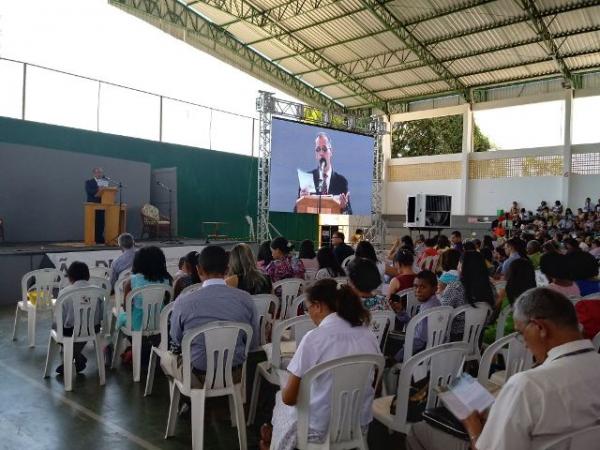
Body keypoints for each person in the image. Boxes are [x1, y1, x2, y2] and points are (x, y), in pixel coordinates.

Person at [407, 287, 600, 450]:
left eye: (521, 333)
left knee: (418, 431)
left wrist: (472, 424)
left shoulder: (529, 385)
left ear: (540, 328)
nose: (524, 343)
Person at [266, 279, 379, 450]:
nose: (309, 312)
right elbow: (374, 379)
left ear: (318, 306)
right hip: (358, 425)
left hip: (318, 431)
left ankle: (272, 443)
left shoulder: (314, 338)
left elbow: (289, 398)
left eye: (308, 307)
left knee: (282, 399)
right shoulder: (368, 334)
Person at [168, 245, 259, 387]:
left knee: (165, 360)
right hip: (235, 373)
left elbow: (177, 338)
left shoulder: (183, 301)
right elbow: (253, 343)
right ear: (227, 269)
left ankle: (189, 402)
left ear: (199, 270)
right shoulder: (246, 299)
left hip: (197, 375)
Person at [53, 261, 103, 374]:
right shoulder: (98, 291)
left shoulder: (64, 293)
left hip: (70, 331)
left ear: (70, 278)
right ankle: (78, 358)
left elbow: (60, 319)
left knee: (56, 327)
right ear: (88, 276)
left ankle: (74, 360)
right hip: (93, 329)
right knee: (82, 329)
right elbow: (101, 315)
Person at [440, 251, 495, 341]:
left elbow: (443, 315)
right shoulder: (490, 287)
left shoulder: (454, 287)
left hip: (455, 341)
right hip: (478, 339)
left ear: (461, 266)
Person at [117, 246, 172, 333]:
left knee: (119, 316)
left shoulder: (131, 281)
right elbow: (167, 303)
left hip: (137, 324)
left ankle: (118, 345)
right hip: (160, 322)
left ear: (138, 263)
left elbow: (126, 309)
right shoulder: (167, 280)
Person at [483, 257, 536, 345]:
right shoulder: (535, 295)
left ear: (511, 273)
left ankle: (492, 357)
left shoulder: (505, 293)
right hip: (527, 336)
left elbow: (492, 316)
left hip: (502, 336)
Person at [297, 132, 351, 214]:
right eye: (318, 150)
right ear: (316, 154)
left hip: (332, 226)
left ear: (331, 152)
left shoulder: (341, 181)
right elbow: (295, 213)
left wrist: (344, 207)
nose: (321, 153)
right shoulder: (308, 179)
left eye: (324, 149)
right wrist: (301, 201)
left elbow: (349, 214)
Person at [393, 270, 441, 361]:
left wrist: (398, 357)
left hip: (421, 353)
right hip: (432, 350)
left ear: (434, 289)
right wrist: (401, 312)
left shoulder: (427, 309)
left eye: (423, 287)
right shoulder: (435, 302)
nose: (418, 290)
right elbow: (416, 324)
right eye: (415, 286)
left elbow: (419, 341)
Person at [84, 167, 109, 244]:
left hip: (102, 204)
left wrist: (106, 190)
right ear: (94, 173)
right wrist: (99, 189)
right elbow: (90, 192)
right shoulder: (88, 182)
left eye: (101, 172)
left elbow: (107, 192)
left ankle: (99, 238)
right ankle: (92, 238)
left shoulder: (104, 182)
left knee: (101, 222)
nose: (99, 174)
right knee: (93, 222)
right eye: (98, 172)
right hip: (92, 205)